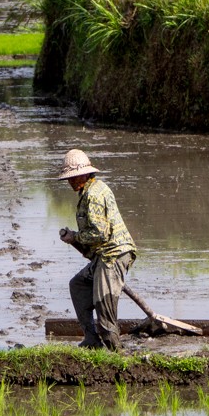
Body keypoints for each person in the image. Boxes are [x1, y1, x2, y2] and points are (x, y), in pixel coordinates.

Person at [55, 148, 137, 351]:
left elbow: (100, 233)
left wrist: (75, 237)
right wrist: (75, 239)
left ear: (84, 174)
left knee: (104, 305)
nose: (70, 182)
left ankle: (118, 356)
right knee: (79, 285)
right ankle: (92, 340)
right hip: (104, 255)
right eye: (69, 178)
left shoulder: (94, 195)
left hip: (113, 255)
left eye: (73, 177)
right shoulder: (89, 191)